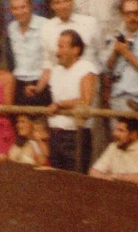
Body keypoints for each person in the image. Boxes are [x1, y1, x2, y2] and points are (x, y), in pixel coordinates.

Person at [46, 30, 99, 172]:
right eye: (58, 46)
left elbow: (85, 100)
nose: (58, 51)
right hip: (55, 133)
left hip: (75, 135)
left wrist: (60, 104)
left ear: (76, 50)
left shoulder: (86, 68)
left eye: (62, 47)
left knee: (75, 180)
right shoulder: (56, 71)